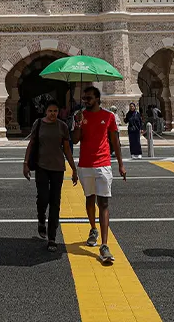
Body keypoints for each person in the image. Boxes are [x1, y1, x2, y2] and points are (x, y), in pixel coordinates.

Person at [75, 85, 126, 265]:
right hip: (85, 165)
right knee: (90, 199)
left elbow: (115, 141)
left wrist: (121, 164)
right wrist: (78, 123)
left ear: (97, 99)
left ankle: (104, 244)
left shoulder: (108, 117)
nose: (85, 101)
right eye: (84, 98)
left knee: (103, 202)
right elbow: (74, 140)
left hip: (103, 164)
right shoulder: (81, 116)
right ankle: (93, 228)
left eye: (88, 98)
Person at [22, 99, 78, 252]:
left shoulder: (62, 126)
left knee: (55, 202)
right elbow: (31, 143)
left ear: (58, 112)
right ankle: (41, 219)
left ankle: (52, 237)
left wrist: (74, 169)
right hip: (41, 167)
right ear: (45, 112)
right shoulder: (38, 124)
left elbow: (67, 149)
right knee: (43, 197)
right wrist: (25, 163)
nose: (53, 114)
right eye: (50, 111)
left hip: (58, 168)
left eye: (55, 111)